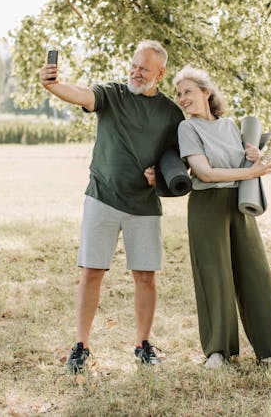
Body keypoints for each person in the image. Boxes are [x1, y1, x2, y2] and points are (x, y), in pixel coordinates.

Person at [39, 40, 184, 373]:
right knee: (92, 272)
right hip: (101, 197)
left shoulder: (171, 114)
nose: (135, 72)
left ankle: (143, 345)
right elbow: (82, 95)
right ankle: (81, 346)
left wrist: (158, 177)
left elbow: (178, 160)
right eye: (133, 65)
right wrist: (54, 84)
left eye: (144, 68)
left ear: (159, 73)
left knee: (145, 276)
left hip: (143, 206)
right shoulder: (112, 94)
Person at [173, 65, 271, 370]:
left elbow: (243, 162)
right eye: (178, 94)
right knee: (214, 276)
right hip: (206, 203)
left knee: (256, 274)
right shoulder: (187, 129)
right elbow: (204, 172)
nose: (182, 98)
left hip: (239, 203)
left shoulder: (231, 126)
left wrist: (255, 157)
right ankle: (219, 352)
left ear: (206, 92)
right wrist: (252, 171)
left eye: (187, 91)